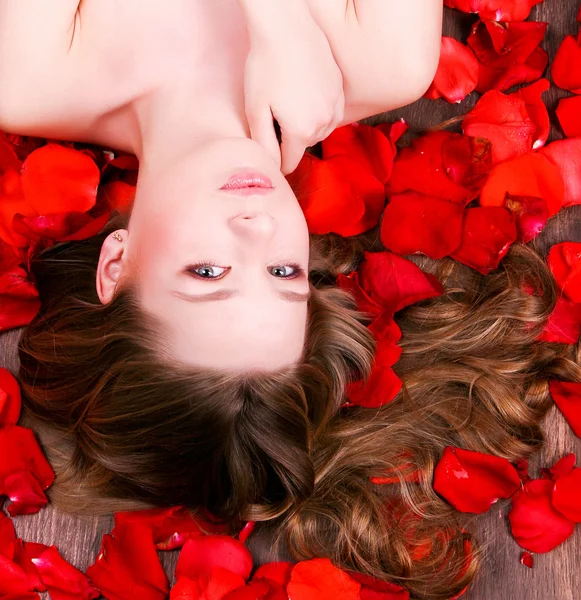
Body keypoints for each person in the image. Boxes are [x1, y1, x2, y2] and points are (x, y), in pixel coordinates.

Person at [3, 2, 579, 598]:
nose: (257, 226)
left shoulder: (32, 72)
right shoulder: (383, 61)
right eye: (284, 271)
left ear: (116, 265)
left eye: (207, 272)